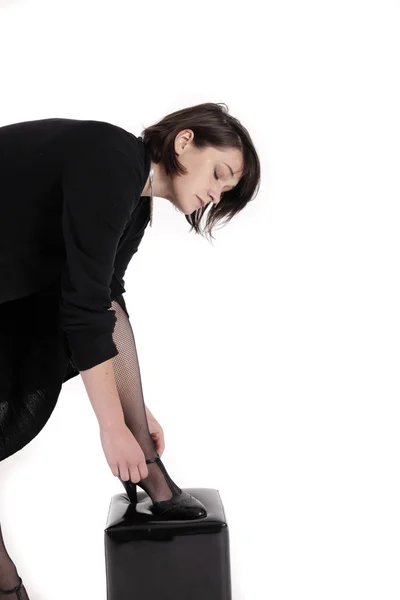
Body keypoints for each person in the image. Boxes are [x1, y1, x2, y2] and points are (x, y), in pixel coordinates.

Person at [0, 102, 261, 599]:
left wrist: (135, 412)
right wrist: (112, 426)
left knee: (107, 302)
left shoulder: (134, 201)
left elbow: (104, 301)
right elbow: (81, 308)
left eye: (225, 191)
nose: (215, 192)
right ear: (184, 141)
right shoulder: (113, 158)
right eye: (219, 173)